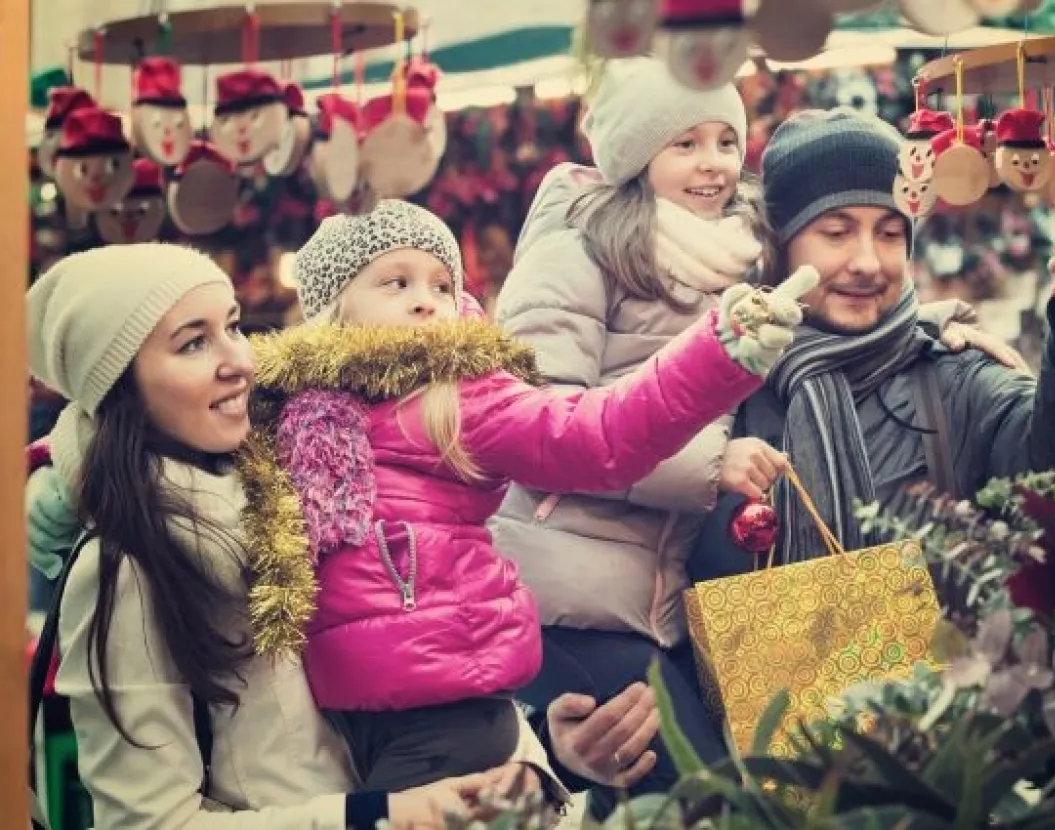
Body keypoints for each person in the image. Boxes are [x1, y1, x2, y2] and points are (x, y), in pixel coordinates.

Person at [489, 59, 1027, 816]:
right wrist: (712, 463)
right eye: (683, 143)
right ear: (636, 155)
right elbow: (541, 423)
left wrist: (924, 323)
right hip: (574, 583)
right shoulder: (582, 250)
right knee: (695, 797)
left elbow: (820, 298)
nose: (709, 162)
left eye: (722, 141)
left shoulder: (733, 253)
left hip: (657, 594)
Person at [21, 243, 676, 829]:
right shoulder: (130, 568)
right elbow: (147, 821)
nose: (240, 362)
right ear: (120, 387)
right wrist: (376, 817)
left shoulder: (308, 483)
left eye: (234, 328)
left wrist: (556, 767)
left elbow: (415, 738)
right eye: (193, 343)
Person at [239, 198, 808, 795]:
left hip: (448, 711)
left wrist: (714, 355)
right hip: (352, 713)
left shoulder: (457, 396)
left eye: (440, 284)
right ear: (334, 308)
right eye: (395, 282)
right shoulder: (295, 414)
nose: (424, 299)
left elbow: (599, 433)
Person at [690, 107, 1055, 588]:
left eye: (889, 234)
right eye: (836, 232)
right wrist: (709, 478)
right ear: (780, 249)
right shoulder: (717, 388)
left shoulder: (955, 377)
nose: (868, 262)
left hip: (945, 663)